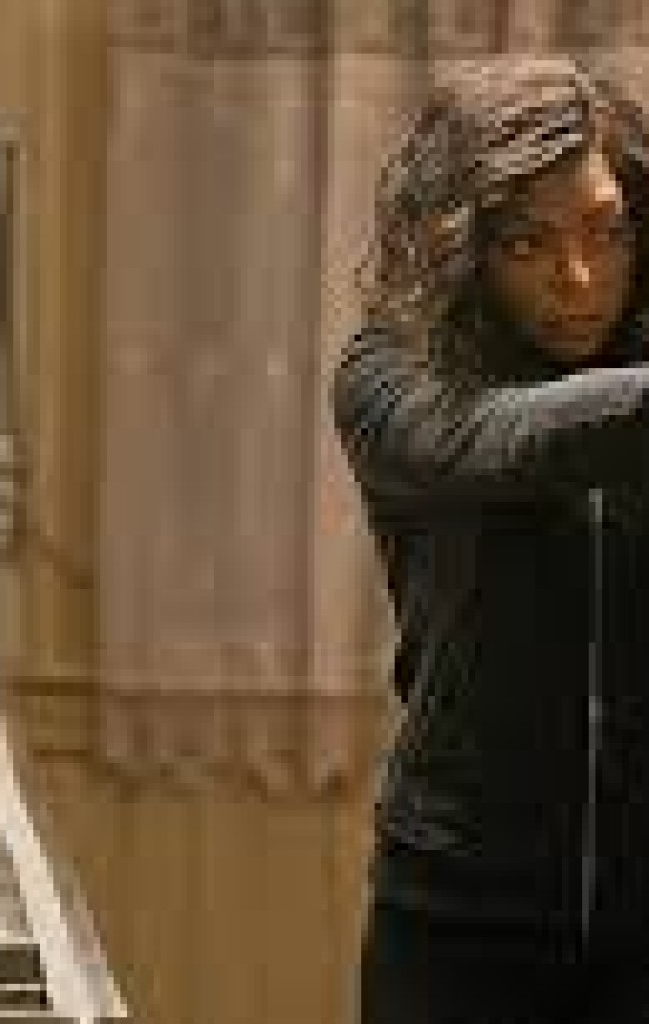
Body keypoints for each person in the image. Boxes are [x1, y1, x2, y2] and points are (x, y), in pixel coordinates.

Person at [329, 56, 649, 1022]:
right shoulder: (389, 375)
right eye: (528, 243)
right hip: (454, 919)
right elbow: (497, 442)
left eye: (609, 232)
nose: (578, 278)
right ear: (463, 245)